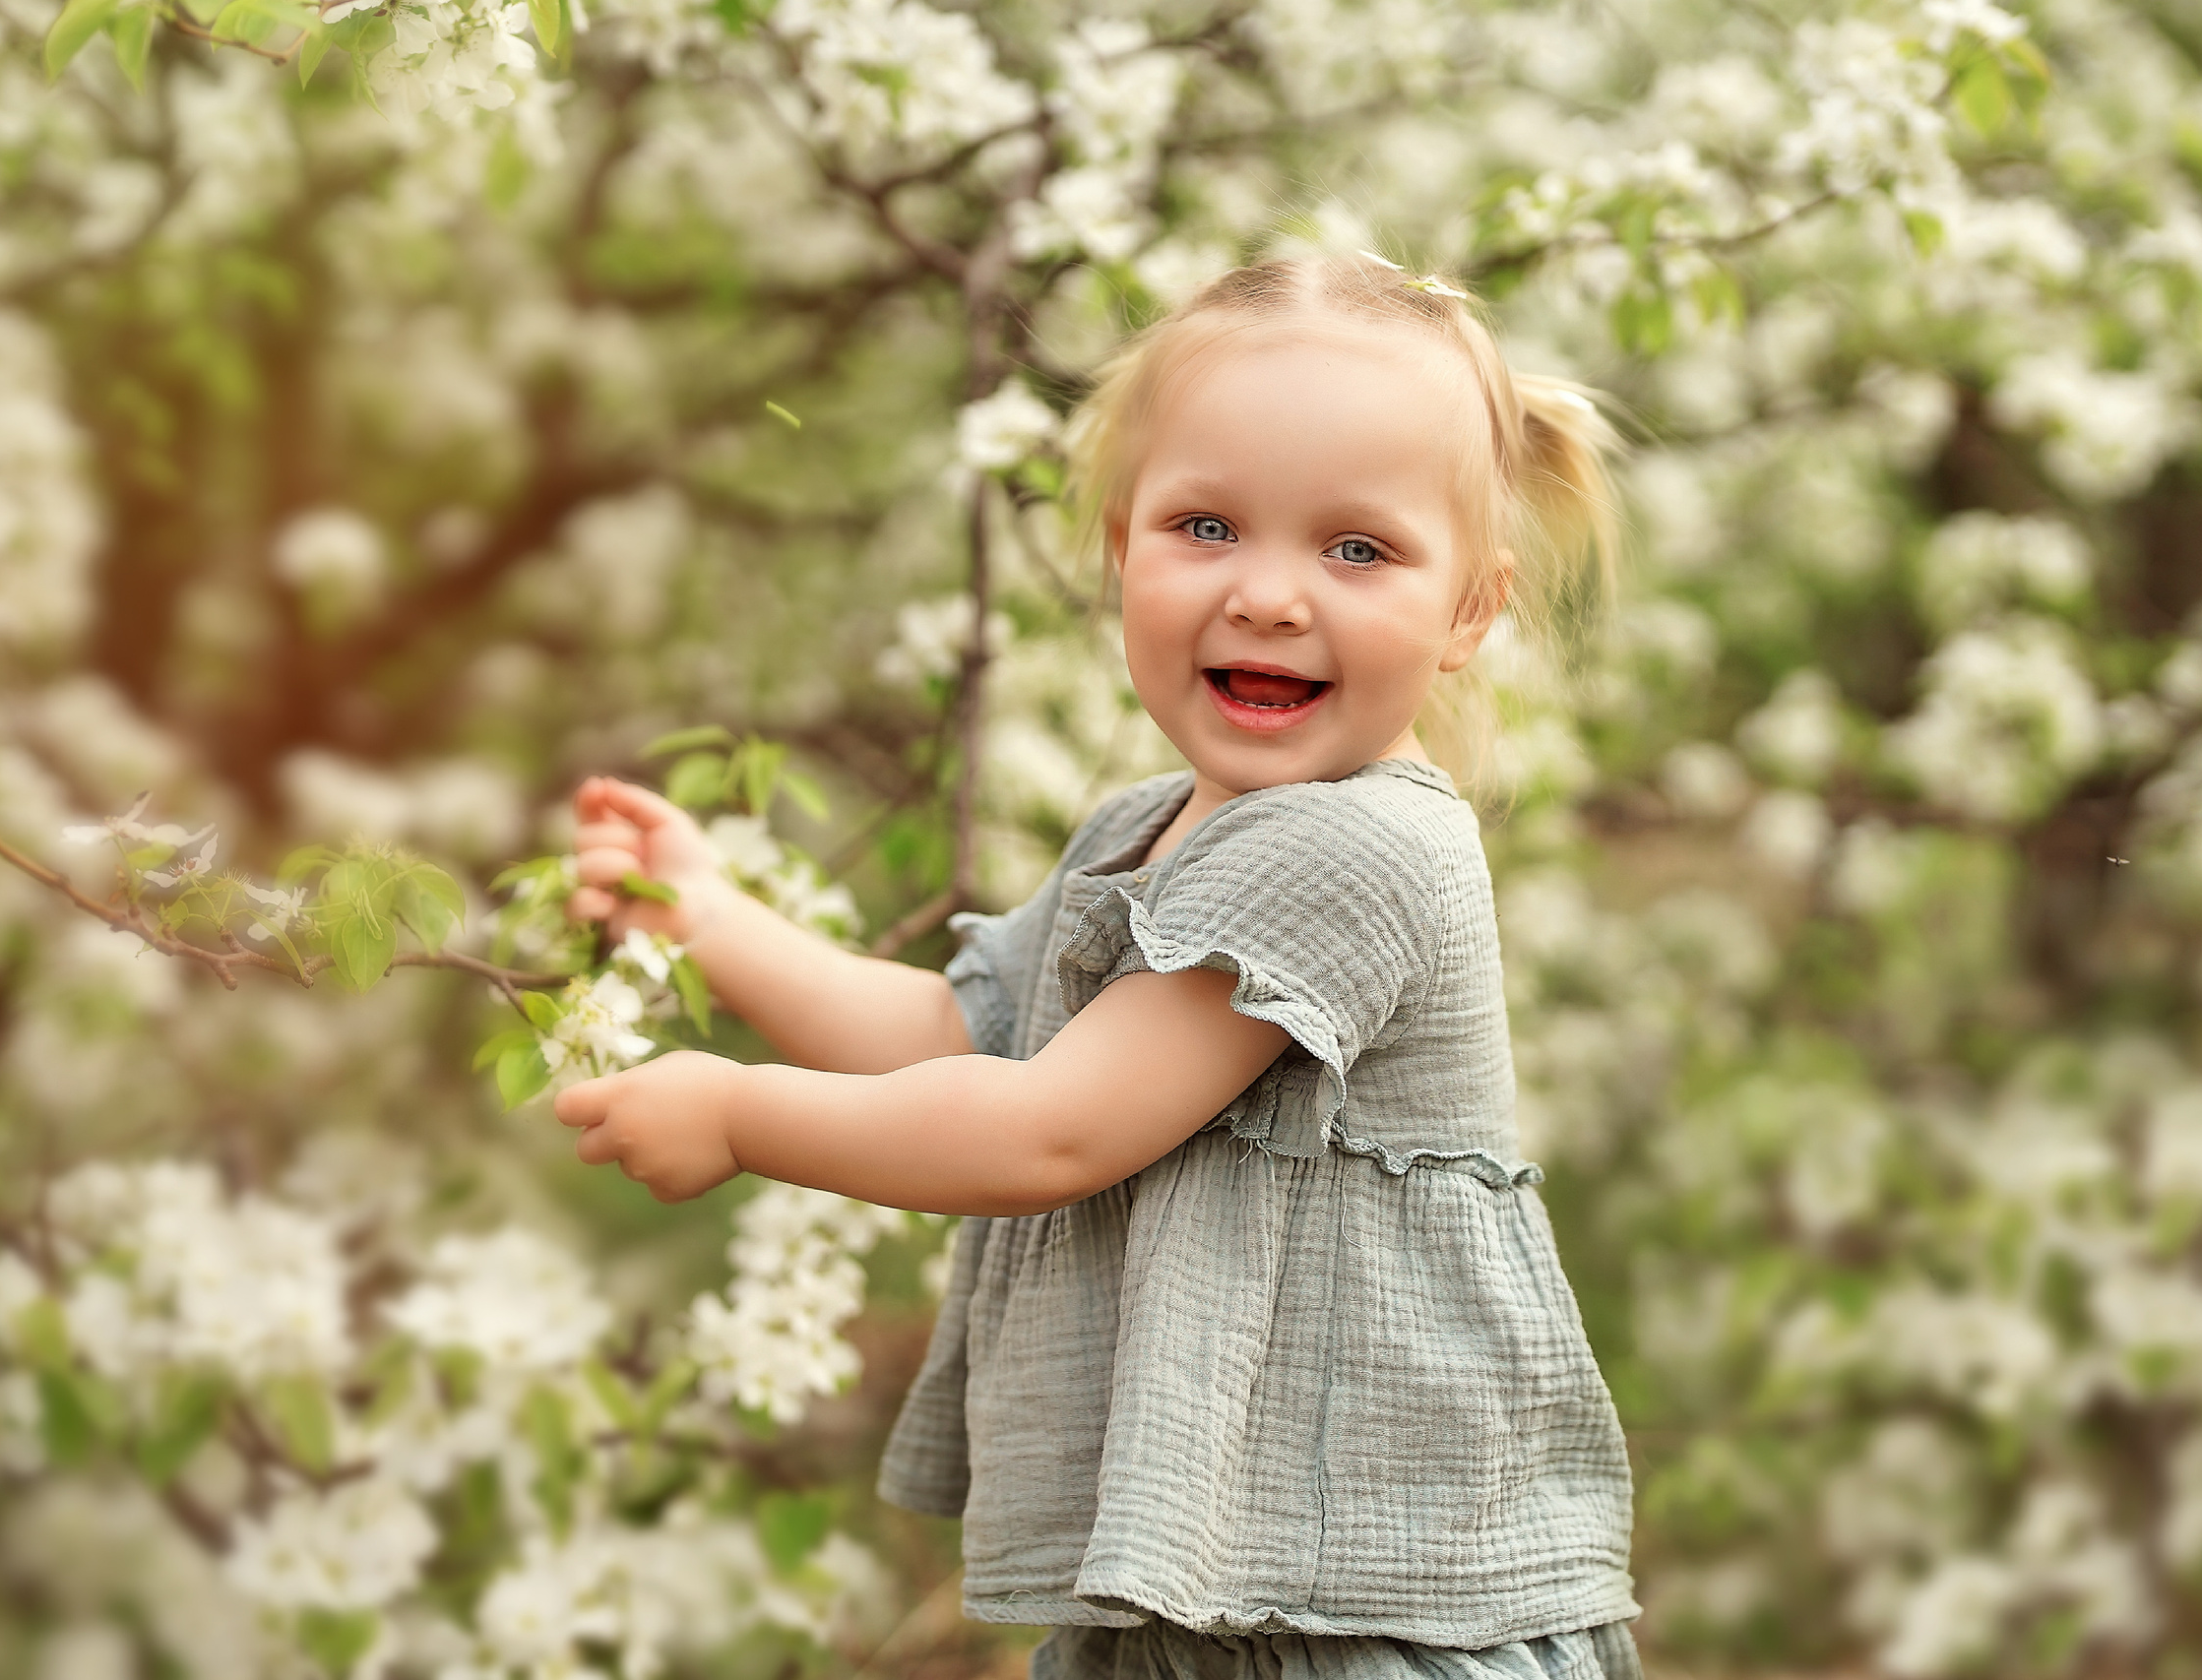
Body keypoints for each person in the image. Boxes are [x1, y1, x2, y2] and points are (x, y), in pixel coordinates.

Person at [554, 253, 1640, 1679]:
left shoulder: (1358, 850)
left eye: (1357, 551)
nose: (1268, 595)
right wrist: (712, 919)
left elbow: (1052, 1128)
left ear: (1468, 611)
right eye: (1207, 526)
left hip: (1371, 1607)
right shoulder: (1142, 832)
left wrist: (744, 1116)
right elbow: (957, 1033)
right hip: (1204, 1598)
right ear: (1123, 546)